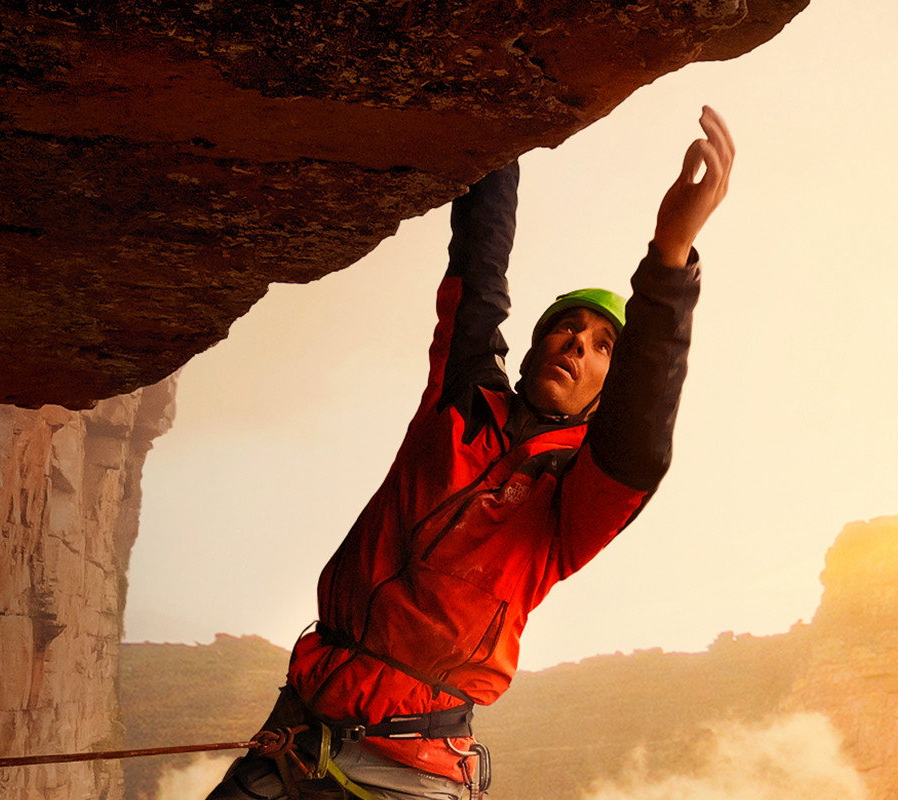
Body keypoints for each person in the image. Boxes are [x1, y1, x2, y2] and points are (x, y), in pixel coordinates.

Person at [205, 106, 736, 800]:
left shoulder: (575, 497)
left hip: (410, 770)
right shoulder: (461, 402)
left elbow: (641, 436)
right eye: (567, 329)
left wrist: (670, 256)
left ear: (611, 390)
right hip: (300, 726)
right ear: (537, 347)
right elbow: (479, 270)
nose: (577, 344)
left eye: (605, 346)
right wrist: (499, 119)